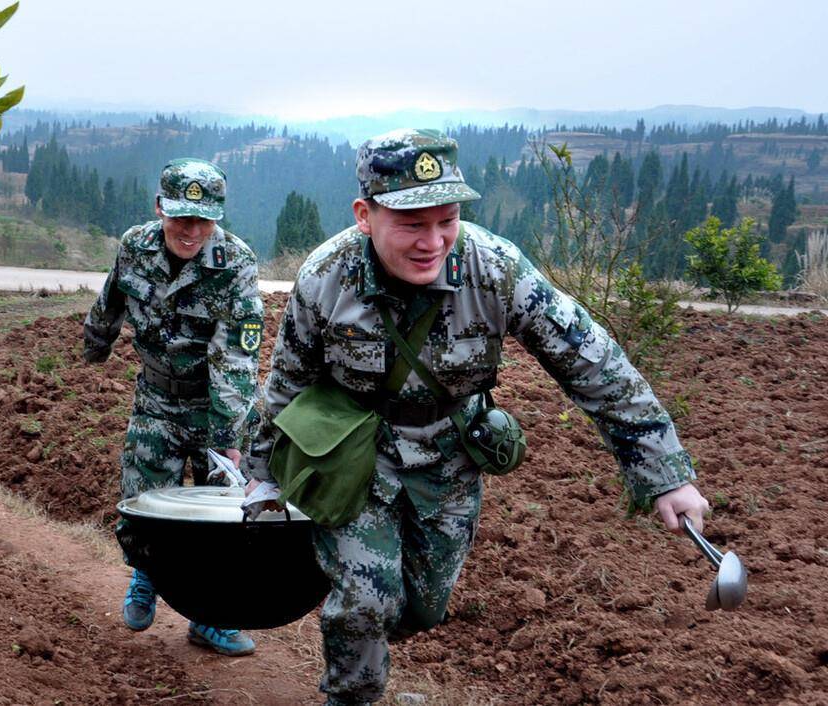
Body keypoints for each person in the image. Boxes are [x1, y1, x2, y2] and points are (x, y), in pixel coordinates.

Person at [241, 129, 710, 705]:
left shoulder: (496, 269)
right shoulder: (325, 277)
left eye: (447, 220)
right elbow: (287, 382)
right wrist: (261, 475)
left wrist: (664, 474)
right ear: (365, 216)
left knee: (423, 607)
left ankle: (362, 623)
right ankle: (351, 691)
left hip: (449, 457)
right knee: (366, 601)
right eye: (412, 224)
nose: (432, 241)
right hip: (352, 452)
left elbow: (595, 366)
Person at [83, 158, 264, 657]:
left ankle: (211, 618)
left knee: (221, 518)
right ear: (160, 207)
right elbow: (112, 298)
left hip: (215, 406)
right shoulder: (135, 246)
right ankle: (146, 576)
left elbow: (236, 358)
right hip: (157, 400)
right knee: (143, 501)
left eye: (203, 220)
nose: (191, 231)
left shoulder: (236, 264)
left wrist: (227, 439)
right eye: (182, 217)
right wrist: (95, 344)